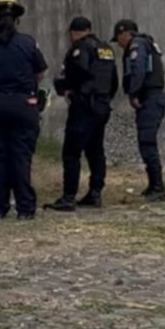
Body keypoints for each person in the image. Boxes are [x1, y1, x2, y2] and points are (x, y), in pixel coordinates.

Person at [0, 0, 48, 220]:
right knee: (21, 155)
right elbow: (40, 71)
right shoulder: (28, 43)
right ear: (16, 19)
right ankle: (25, 208)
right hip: (23, 104)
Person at [45, 16, 119, 211]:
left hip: (84, 106)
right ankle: (95, 193)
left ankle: (69, 196)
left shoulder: (80, 48)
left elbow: (76, 73)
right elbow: (114, 80)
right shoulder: (106, 49)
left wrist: (68, 90)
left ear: (72, 33)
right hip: (102, 106)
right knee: (95, 151)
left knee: (71, 152)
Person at [111, 18, 165, 201]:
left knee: (147, 142)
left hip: (149, 98)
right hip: (153, 98)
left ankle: (158, 188)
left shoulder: (137, 45)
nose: (119, 44)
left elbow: (138, 69)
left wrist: (133, 93)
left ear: (124, 33)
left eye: (118, 38)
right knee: (146, 142)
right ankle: (154, 185)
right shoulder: (146, 43)